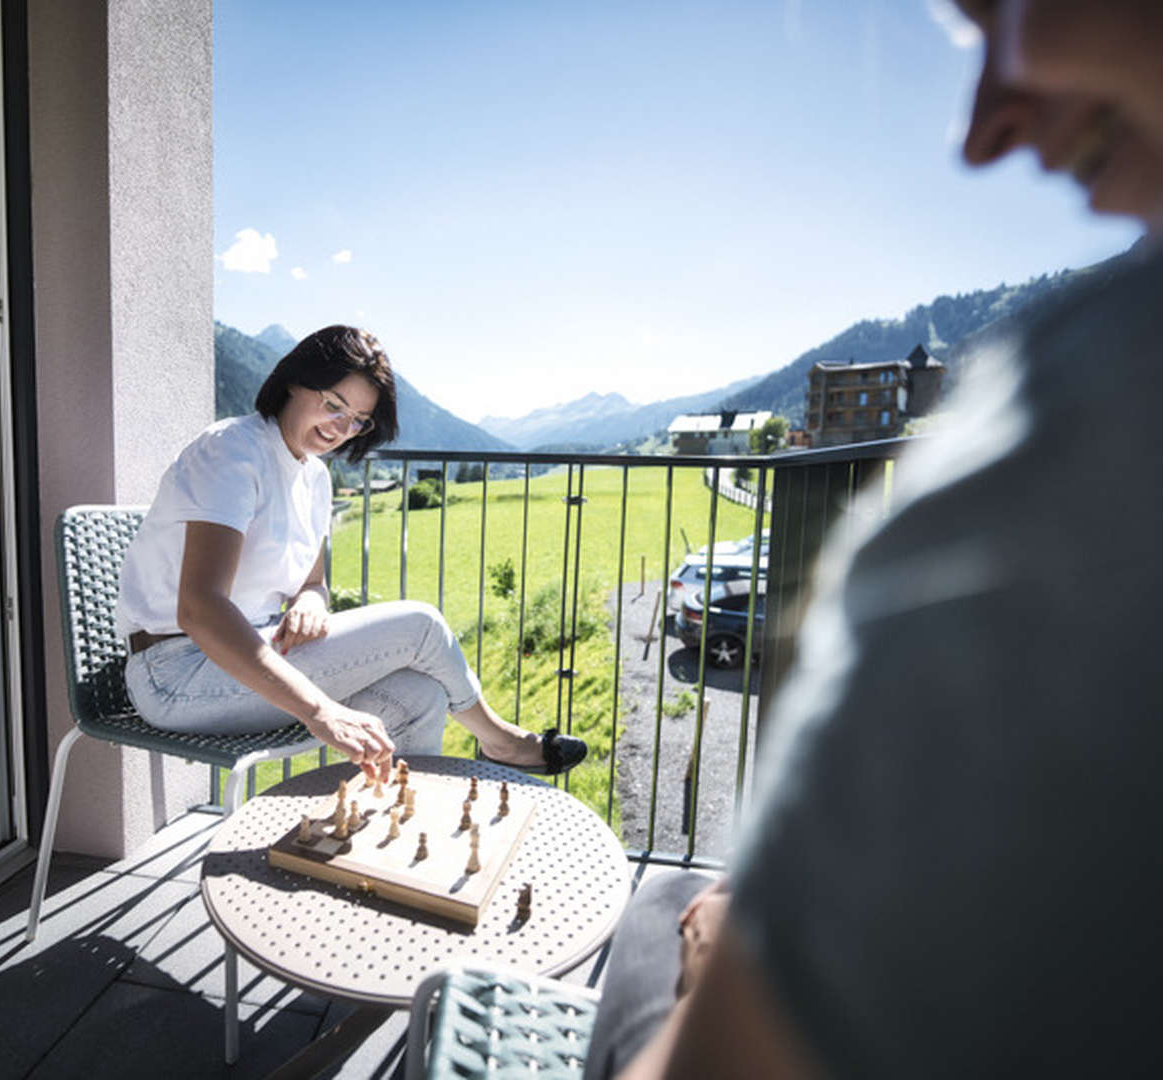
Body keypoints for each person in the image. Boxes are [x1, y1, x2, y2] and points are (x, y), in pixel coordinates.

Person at [585, 2, 1163, 1076]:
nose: (981, 130)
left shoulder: (1090, 415)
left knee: (662, 902)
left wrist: (721, 964)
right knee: (679, 884)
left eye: (1008, 14)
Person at [116, 324, 587, 780]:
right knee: (421, 625)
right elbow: (199, 608)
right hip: (175, 673)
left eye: (359, 419)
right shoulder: (232, 452)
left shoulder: (314, 477)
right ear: (294, 383)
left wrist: (309, 601)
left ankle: (388, 838)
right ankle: (499, 741)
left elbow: (313, 583)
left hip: (252, 654)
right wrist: (320, 711)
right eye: (333, 405)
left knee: (419, 694)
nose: (342, 428)